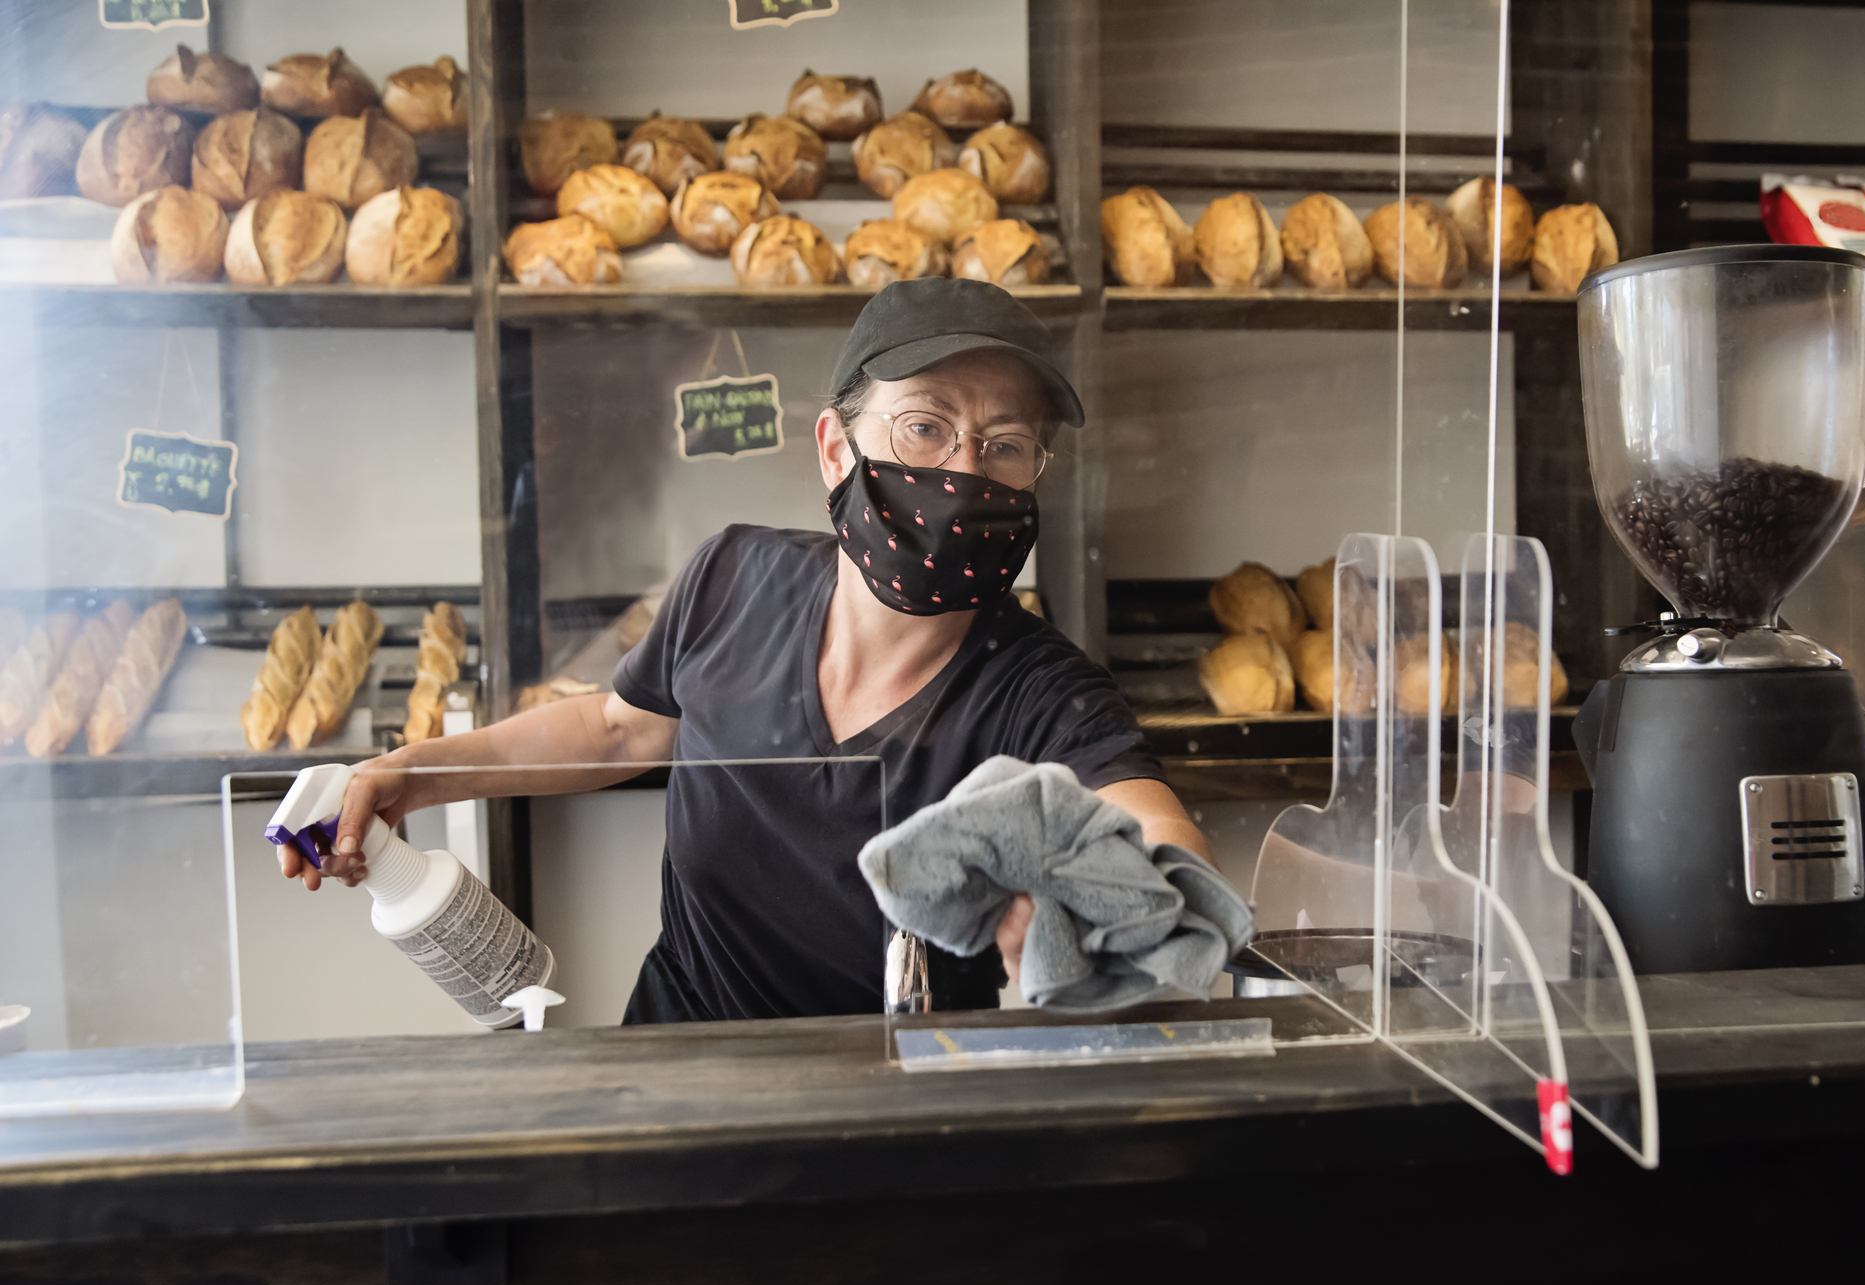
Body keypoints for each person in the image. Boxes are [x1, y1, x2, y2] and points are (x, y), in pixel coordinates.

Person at [281, 280, 1211, 1022]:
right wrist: (410, 775)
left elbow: (1155, 833)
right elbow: (615, 731)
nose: (962, 473)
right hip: (678, 1067)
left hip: (900, 1116)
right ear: (834, 449)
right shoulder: (733, 577)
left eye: (1004, 446)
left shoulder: (1040, 690)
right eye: (923, 426)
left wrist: (1103, 900)